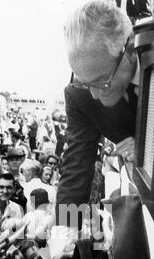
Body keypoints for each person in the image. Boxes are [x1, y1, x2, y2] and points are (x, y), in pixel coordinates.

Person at [55, 0, 139, 233]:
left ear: (130, 51)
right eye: (85, 83)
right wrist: (64, 233)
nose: (93, 94)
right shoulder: (79, 95)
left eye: (101, 82)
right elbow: (76, 167)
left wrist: (150, 152)